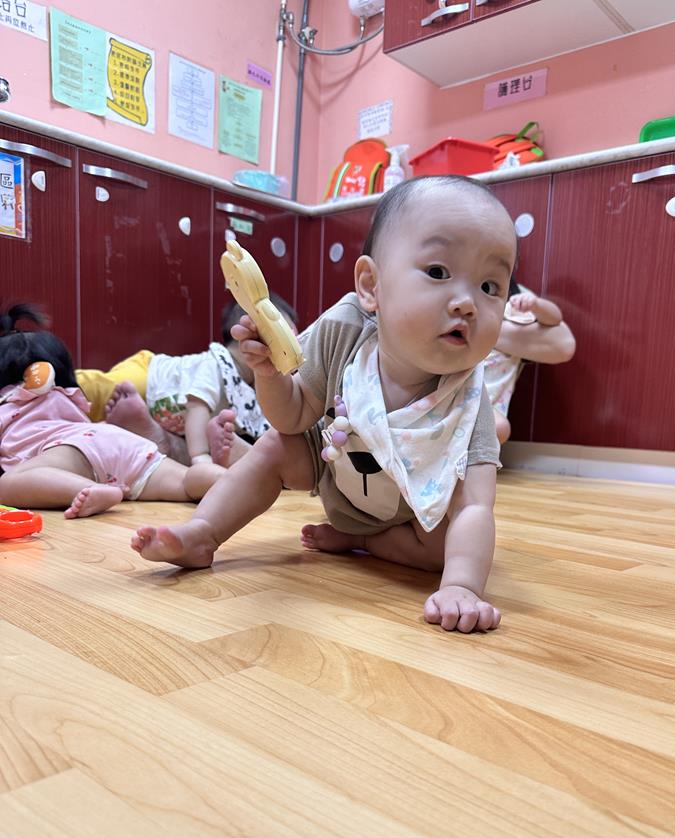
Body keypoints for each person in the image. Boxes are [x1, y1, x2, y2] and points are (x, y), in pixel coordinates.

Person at [131, 175, 517, 634]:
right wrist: (270, 376)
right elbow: (293, 415)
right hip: (332, 469)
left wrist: (462, 587)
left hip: (408, 516)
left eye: (490, 286)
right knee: (275, 447)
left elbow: (475, 507)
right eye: (438, 272)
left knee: (448, 549)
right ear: (371, 285)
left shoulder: (469, 401)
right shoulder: (344, 331)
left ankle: (366, 541)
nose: (468, 303)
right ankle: (204, 532)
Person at [0, 305, 228, 517]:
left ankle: (88, 488)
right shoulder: (68, 396)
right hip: (113, 439)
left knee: (7, 483)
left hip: (69, 450)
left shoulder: (7, 404)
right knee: (185, 483)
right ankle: (226, 480)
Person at [76, 294, 299, 466]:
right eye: (286, 335)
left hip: (162, 417)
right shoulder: (216, 364)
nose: (296, 345)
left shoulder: (252, 389)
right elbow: (197, 405)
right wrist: (200, 458)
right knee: (92, 391)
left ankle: (137, 429)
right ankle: (60, 384)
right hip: (151, 376)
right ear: (249, 334)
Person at [485, 279, 575, 445]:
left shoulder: (514, 305)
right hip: (457, 395)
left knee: (499, 428)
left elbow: (555, 319)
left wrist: (535, 305)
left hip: (488, 404)